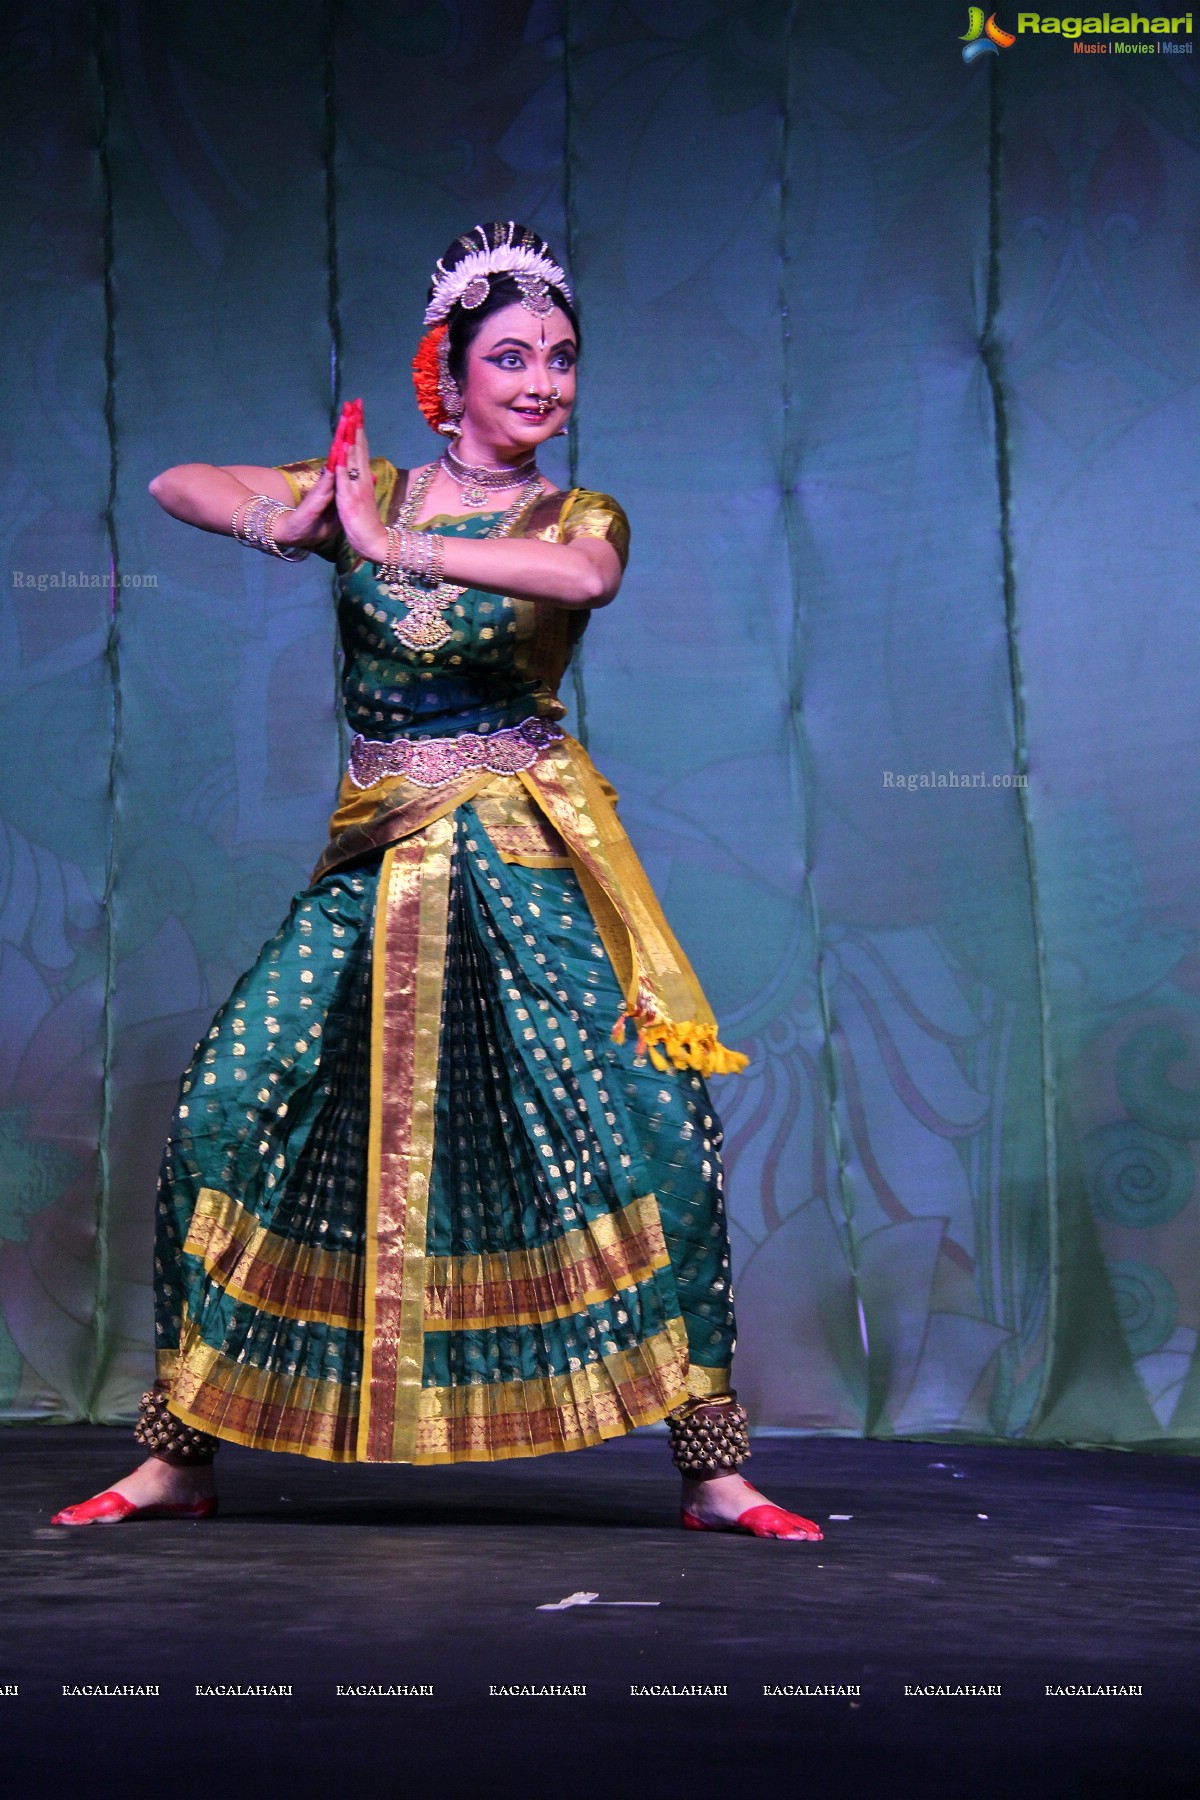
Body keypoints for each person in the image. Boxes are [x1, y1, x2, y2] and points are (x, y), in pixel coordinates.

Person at [53, 223, 821, 1542]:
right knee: (225, 1101)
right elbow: (179, 477)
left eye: (563, 360)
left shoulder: (577, 517)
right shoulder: (371, 489)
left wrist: (391, 550)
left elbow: (584, 580)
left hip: (520, 853)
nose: (544, 381)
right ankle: (179, 1451)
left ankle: (715, 1471)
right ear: (447, 375)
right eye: (513, 356)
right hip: (378, 857)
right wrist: (282, 517)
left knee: (655, 1112)